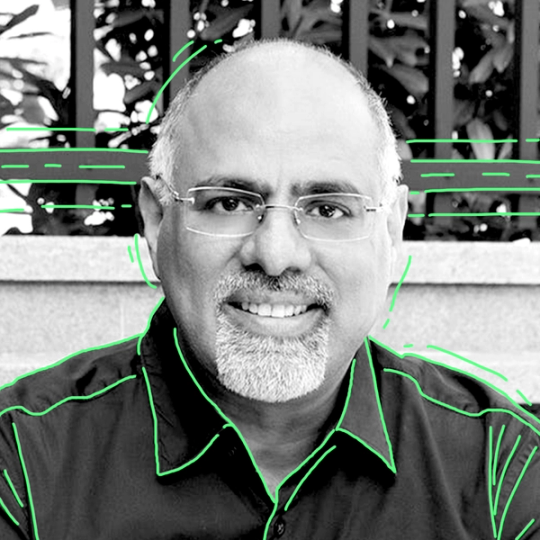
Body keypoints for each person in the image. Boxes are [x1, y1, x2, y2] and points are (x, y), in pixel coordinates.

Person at [0, 38, 538, 540]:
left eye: (328, 209)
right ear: (158, 222)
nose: (277, 255)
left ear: (391, 230)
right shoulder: (23, 467)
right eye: (229, 203)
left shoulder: (501, 473)